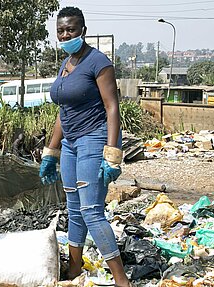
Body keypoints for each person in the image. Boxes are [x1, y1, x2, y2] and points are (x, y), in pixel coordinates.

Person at [39, 7, 131, 287]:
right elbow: (62, 112)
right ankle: (75, 268)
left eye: (71, 30)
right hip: (69, 144)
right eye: (61, 31)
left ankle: (121, 280)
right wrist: (50, 152)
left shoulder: (98, 62)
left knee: (91, 210)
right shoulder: (65, 64)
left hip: (93, 137)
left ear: (83, 31)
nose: (66, 35)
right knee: (74, 208)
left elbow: (112, 107)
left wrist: (112, 153)